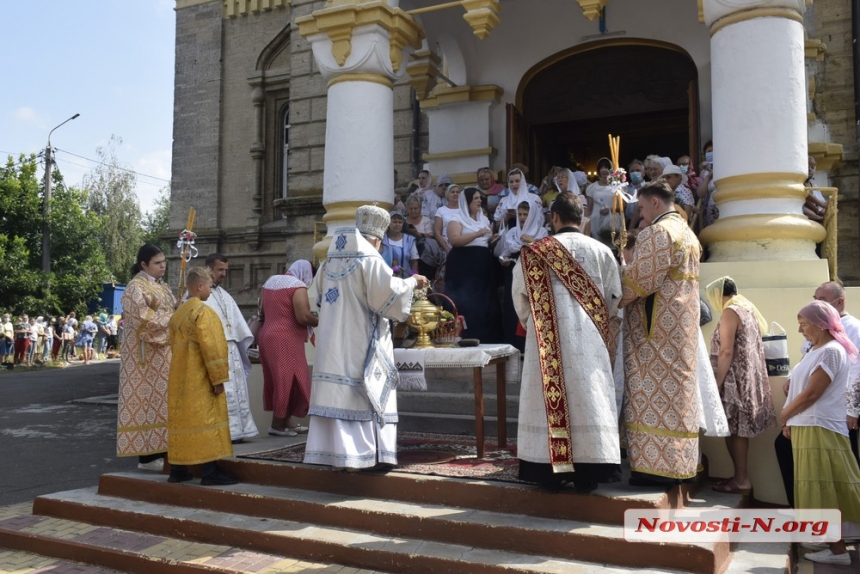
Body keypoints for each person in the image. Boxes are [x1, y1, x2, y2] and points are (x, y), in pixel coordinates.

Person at [304, 206, 429, 471]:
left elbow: (314, 298)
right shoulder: (370, 259)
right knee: (362, 394)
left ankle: (335, 454)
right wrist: (412, 282)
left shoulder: (329, 260)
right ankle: (366, 456)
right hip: (359, 340)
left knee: (338, 394)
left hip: (331, 342)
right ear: (376, 239)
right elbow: (386, 297)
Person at [512, 191, 622, 492]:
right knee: (590, 400)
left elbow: (521, 301)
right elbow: (616, 299)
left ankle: (550, 472)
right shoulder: (602, 252)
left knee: (548, 402)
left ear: (555, 218)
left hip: (546, 347)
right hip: (591, 343)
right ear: (582, 218)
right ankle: (589, 472)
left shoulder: (534, 252)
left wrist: (536, 328)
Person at [619, 182, 702, 485]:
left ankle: (654, 469)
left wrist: (610, 295)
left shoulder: (658, 232)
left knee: (650, 394)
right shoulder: (688, 233)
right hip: (680, 327)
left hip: (655, 333)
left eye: (640, 208)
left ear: (654, 202)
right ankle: (680, 465)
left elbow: (640, 280)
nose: (639, 215)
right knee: (676, 394)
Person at [780, 301, 860, 566]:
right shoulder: (818, 350)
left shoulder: (831, 351)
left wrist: (785, 414)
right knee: (823, 489)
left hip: (819, 427)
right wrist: (790, 417)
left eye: (804, 324)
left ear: (821, 324)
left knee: (825, 489)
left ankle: (838, 551)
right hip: (810, 426)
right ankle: (836, 549)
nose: (801, 330)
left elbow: (814, 393)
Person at [166, 267, 238, 486]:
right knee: (208, 420)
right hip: (199, 378)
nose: (210, 290)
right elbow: (213, 348)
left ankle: (178, 469)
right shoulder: (203, 312)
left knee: (184, 423)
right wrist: (218, 379)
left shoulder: (178, 313)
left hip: (180, 377)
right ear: (199, 286)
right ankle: (210, 470)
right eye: (209, 286)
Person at [705, 277, 777, 494]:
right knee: (736, 430)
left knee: (735, 431)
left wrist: (717, 382)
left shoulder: (730, 312)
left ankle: (741, 479)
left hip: (734, 381)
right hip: (747, 380)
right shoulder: (747, 309)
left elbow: (727, 350)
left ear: (718, 295)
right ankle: (739, 477)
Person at [117, 244, 176, 472]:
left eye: (164, 262)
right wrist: (173, 315)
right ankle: (148, 458)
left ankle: (164, 450)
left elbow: (170, 310)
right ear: (144, 265)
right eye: (157, 263)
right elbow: (143, 320)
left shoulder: (162, 286)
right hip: (144, 358)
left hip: (164, 355)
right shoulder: (135, 288)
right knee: (146, 401)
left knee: (163, 402)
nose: (163, 266)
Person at [259, 260, 318, 437]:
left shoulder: (270, 282)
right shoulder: (297, 286)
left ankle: (286, 421)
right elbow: (303, 317)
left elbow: (261, 311)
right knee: (288, 380)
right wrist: (322, 320)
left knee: (280, 379)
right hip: (286, 338)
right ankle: (277, 425)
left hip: (267, 335)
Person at [204, 253, 259, 443]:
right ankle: (224, 430)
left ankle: (239, 430)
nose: (224, 274)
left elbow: (238, 325)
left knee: (237, 391)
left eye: (226, 270)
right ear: (209, 268)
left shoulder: (223, 294)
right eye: (220, 270)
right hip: (215, 350)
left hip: (232, 350)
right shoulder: (198, 294)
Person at [446, 187, 503, 343]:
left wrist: (493, 241)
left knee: (484, 301)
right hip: (464, 265)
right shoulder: (456, 219)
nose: (479, 201)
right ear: (467, 201)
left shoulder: (484, 219)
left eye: (480, 198)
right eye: (476, 198)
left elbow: (485, 242)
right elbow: (455, 240)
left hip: (483, 264)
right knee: (466, 301)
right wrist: (478, 234)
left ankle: (487, 338)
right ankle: (464, 336)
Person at [585, 158, 622, 246]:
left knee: (612, 247)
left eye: (606, 167)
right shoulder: (592, 187)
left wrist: (609, 210)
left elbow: (622, 206)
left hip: (613, 220)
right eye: (601, 167)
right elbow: (589, 208)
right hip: (596, 221)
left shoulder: (617, 186)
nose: (603, 170)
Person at [381, 210, 419, 275]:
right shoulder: (383, 239)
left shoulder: (409, 240)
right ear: (389, 223)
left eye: (400, 222)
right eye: (394, 222)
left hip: (406, 280)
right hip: (387, 278)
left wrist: (414, 277)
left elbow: (414, 261)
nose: (397, 224)